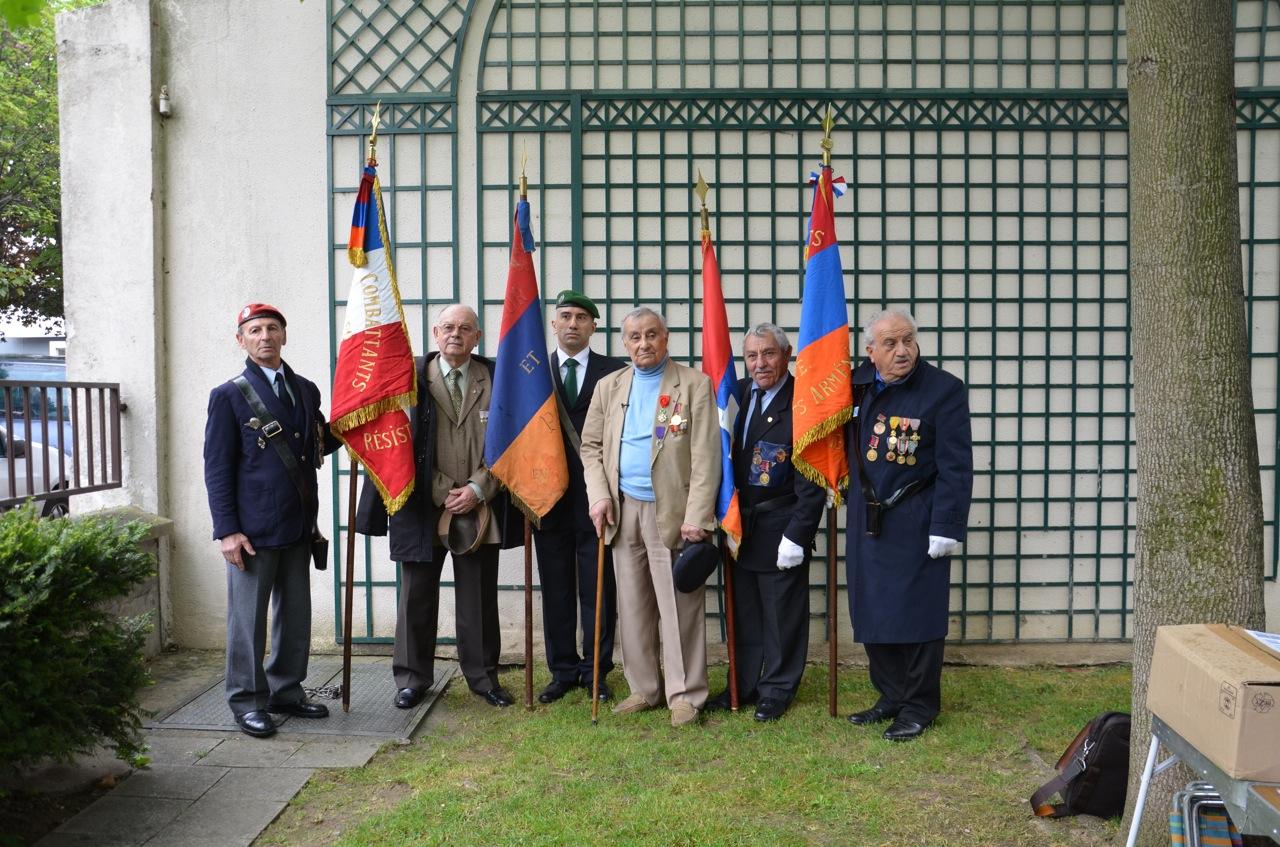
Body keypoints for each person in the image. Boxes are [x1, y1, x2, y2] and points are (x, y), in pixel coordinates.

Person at [355, 304, 522, 710]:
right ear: (435, 332)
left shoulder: (498, 377)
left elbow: (517, 441)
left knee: (478, 598)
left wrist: (480, 489)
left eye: (465, 328)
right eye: (448, 327)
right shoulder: (406, 377)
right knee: (416, 595)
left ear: (477, 337)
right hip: (422, 504)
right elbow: (395, 445)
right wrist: (444, 490)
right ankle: (412, 679)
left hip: (480, 504)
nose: (455, 334)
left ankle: (483, 679)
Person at [203, 303, 341, 738]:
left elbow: (315, 444)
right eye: (255, 330)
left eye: (273, 328)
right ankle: (246, 700)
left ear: (284, 335)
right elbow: (218, 468)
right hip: (253, 531)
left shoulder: (306, 389)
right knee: (248, 620)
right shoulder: (228, 395)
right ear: (241, 340)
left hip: (299, 523)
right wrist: (227, 530)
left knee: (295, 614)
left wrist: (362, 416)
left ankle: (286, 690)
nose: (265, 336)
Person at [580, 307, 720, 727]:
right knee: (633, 604)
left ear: (666, 338)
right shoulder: (609, 386)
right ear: (625, 343)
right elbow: (591, 447)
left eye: (652, 335)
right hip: (623, 511)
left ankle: (685, 694)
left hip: (673, 513)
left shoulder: (693, 385)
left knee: (680, 606)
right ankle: (644, 688)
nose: (644, 344)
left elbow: (706, 456)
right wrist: (599, 496)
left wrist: (698, 516)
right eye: (635, 337)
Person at [844, 308, 973, 741]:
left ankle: (919, 704)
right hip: (868, 516)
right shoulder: (856, 386)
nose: (903, 351)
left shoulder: (943, 391)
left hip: (917, 517)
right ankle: (891, 695)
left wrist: (947, 525)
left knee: (917, 616)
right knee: (873, 611)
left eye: (908, 341)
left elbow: (957, 466)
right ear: (870, 351)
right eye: (890, 344)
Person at [704, 323, 825, 722]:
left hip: (781, 524)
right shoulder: (734, 393)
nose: (760, 364)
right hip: (741, 525)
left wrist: (799, 533)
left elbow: (813, 478)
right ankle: (744, 682)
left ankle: (777, 688)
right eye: (752, 356)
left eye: (769, 354)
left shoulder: (803, 401)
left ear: (787, 356)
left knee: (781, 612)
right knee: (745, 612)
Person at [532, 290, 627, 704]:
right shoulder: (531, 371)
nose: (573, 324)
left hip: (598, 498)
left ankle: (595, 672)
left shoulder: (615, 372)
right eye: (565, 316)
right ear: (553, 323)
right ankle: (562, 670)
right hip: (547, 497)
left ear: (593, 326)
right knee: (555, 588)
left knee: (598, 589)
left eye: (582, 318)